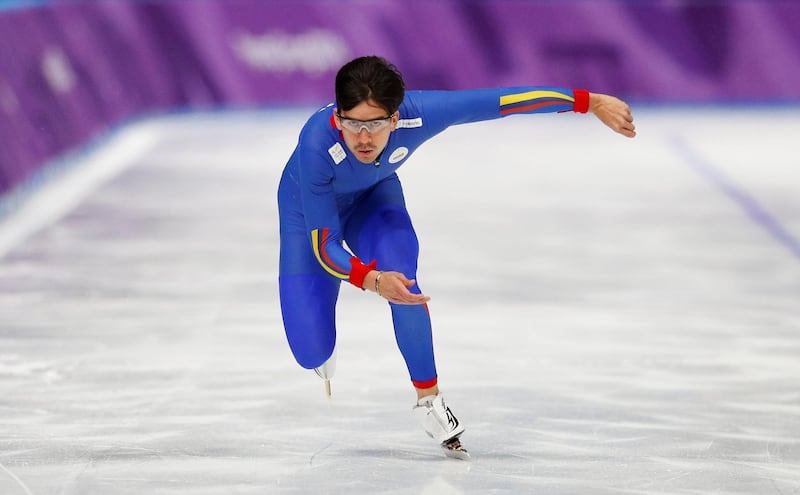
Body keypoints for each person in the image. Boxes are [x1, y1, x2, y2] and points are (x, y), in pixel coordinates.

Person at [277, 55, 635, 459]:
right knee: (312, 351)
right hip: (306, 213)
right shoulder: (316, 145)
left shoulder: (422, 114)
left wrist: (589, 101)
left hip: (374, 199)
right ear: (338, 117)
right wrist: (370, 280)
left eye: (375, 125)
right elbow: (325, 248)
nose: (363, 138)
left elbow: (501, 102)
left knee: (403, 279)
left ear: (395, 120)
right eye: (353, 124)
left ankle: (429, 400)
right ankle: (321, 336)